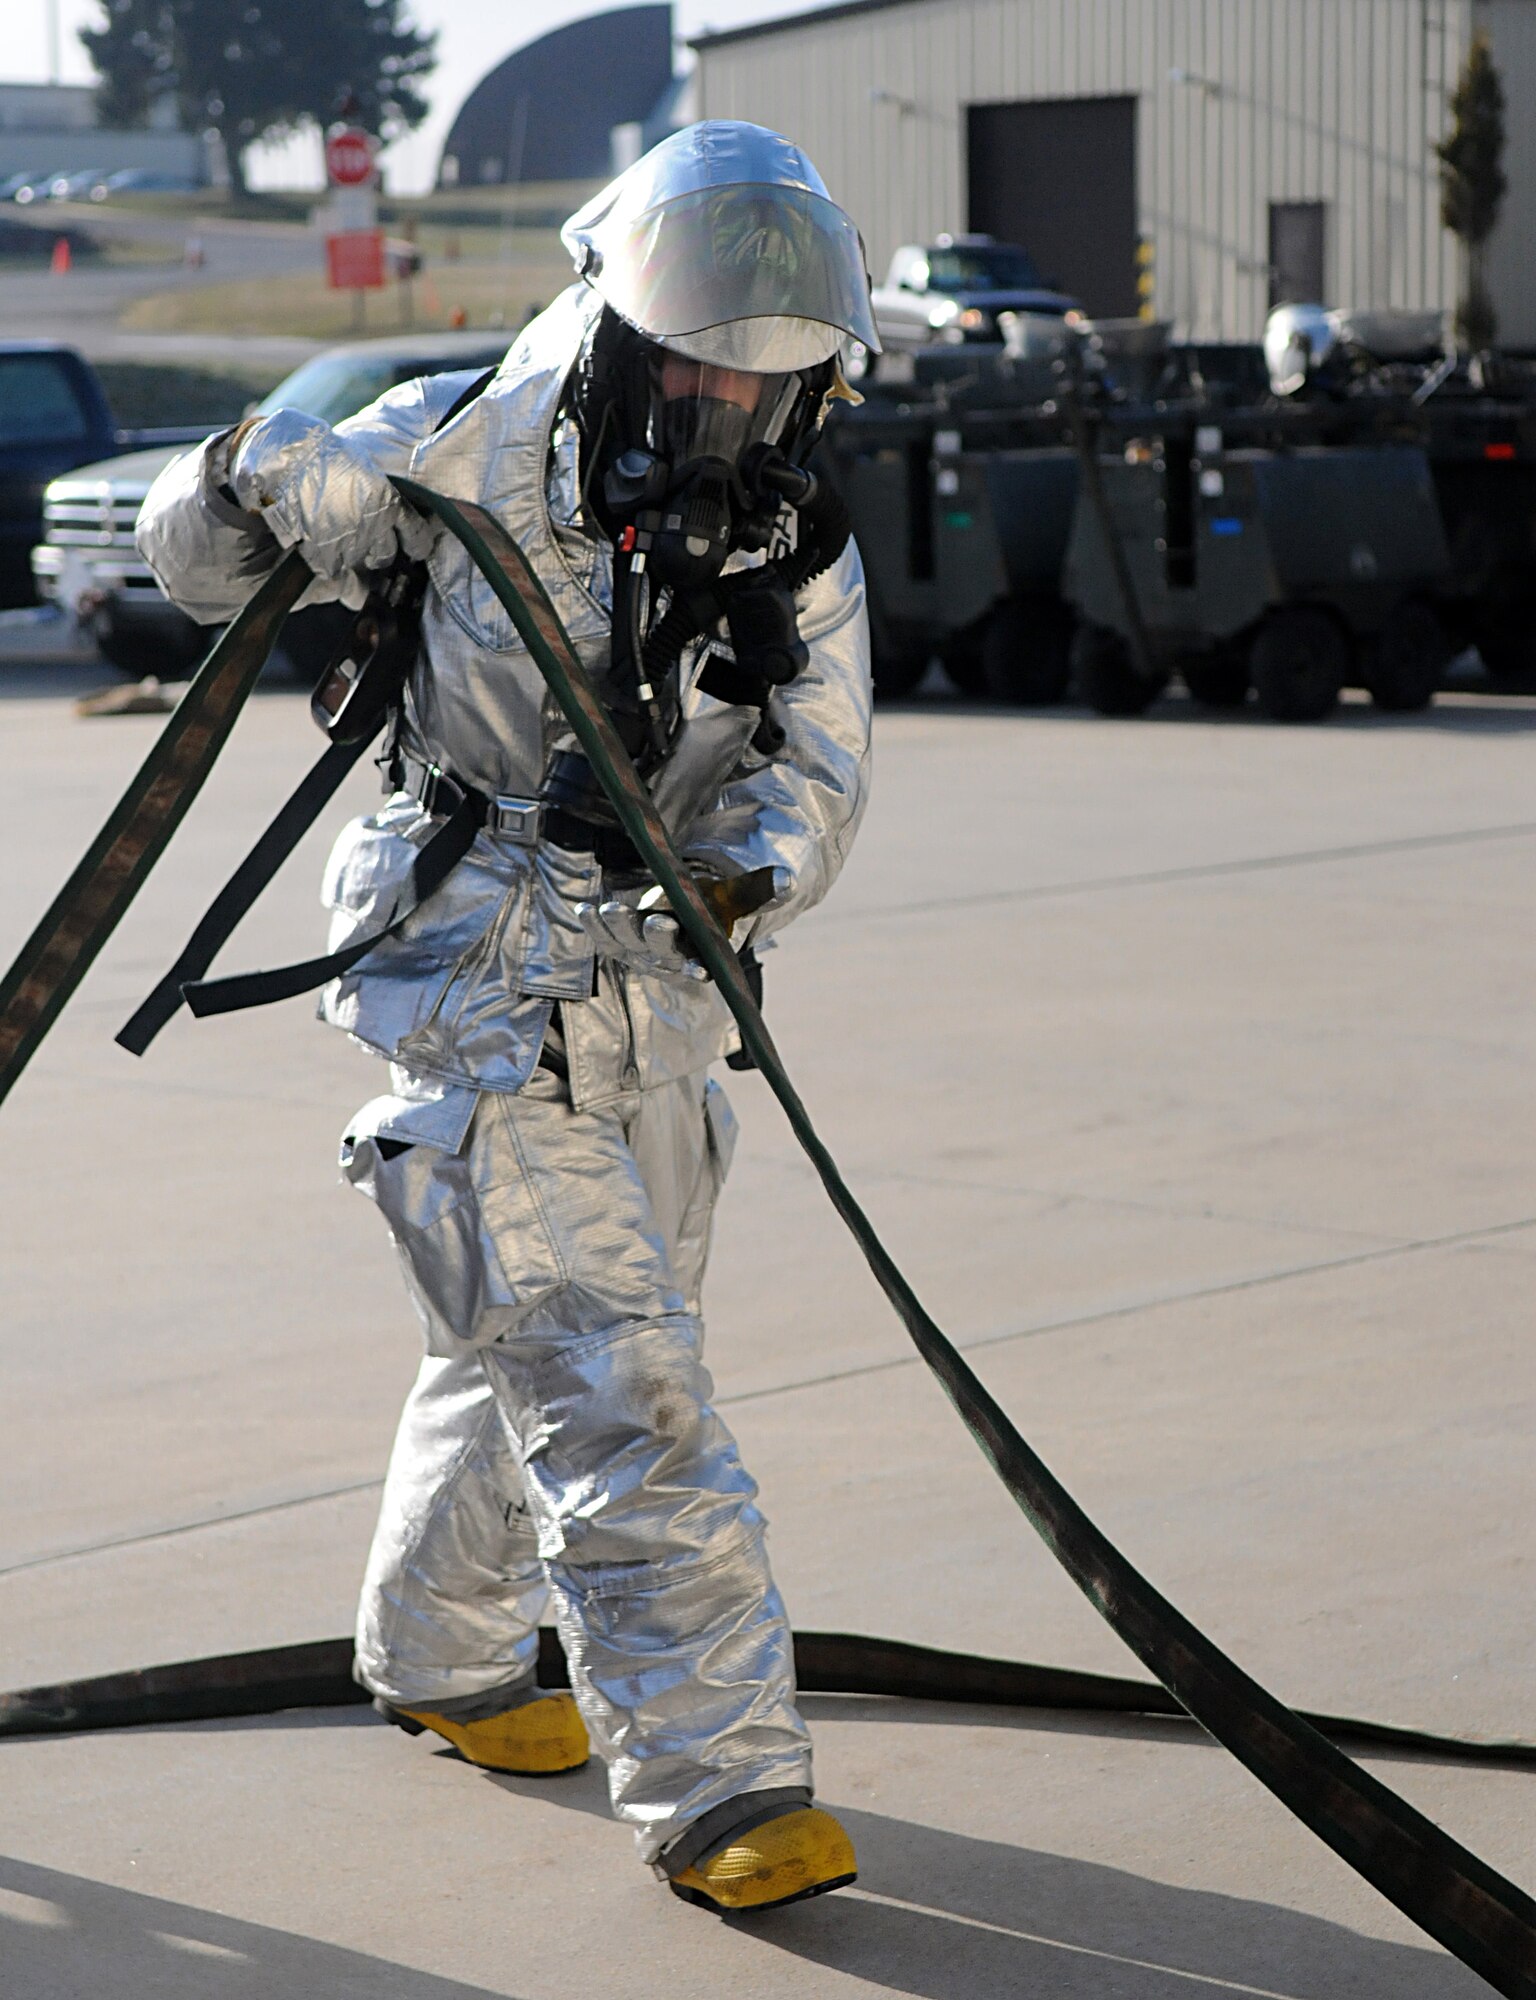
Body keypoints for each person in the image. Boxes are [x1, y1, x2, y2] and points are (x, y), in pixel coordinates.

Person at [135, 121, 877, 1914]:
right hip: (466, 983)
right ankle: (720, 1785)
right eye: (698, 363)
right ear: (626, 328)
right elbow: (196, 568)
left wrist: (753, 875)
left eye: (763, 381)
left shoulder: (797, 533)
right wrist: (242, 474)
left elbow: (823, 758)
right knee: (627, 1388)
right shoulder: (448, 451)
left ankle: (444, 1654)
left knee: (525, 1353)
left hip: (666, 1008)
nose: (722, 405)